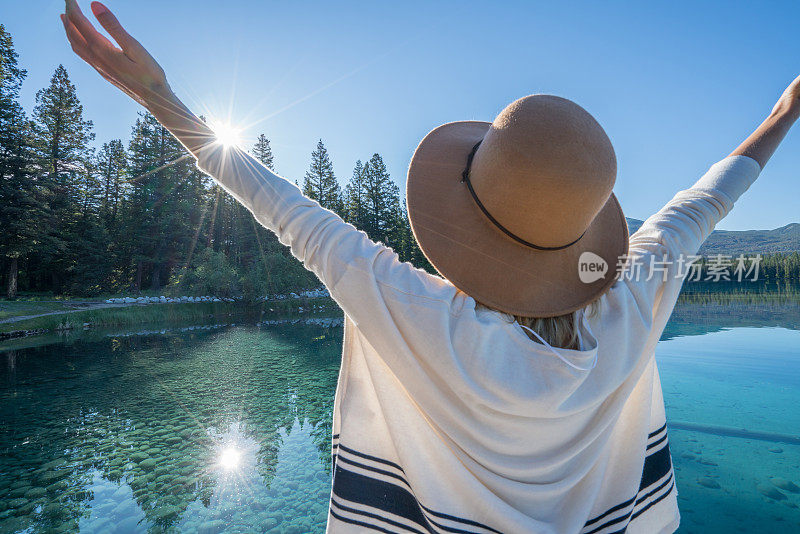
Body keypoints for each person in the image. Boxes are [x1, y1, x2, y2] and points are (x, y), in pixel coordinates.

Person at [60, 2, 799, 532]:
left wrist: (158, 95)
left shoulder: (417, 316)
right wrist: (786, 113)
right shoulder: (634, 300)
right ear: (583, 228)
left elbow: (281, 206)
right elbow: (706, 201)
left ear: (465, 217)